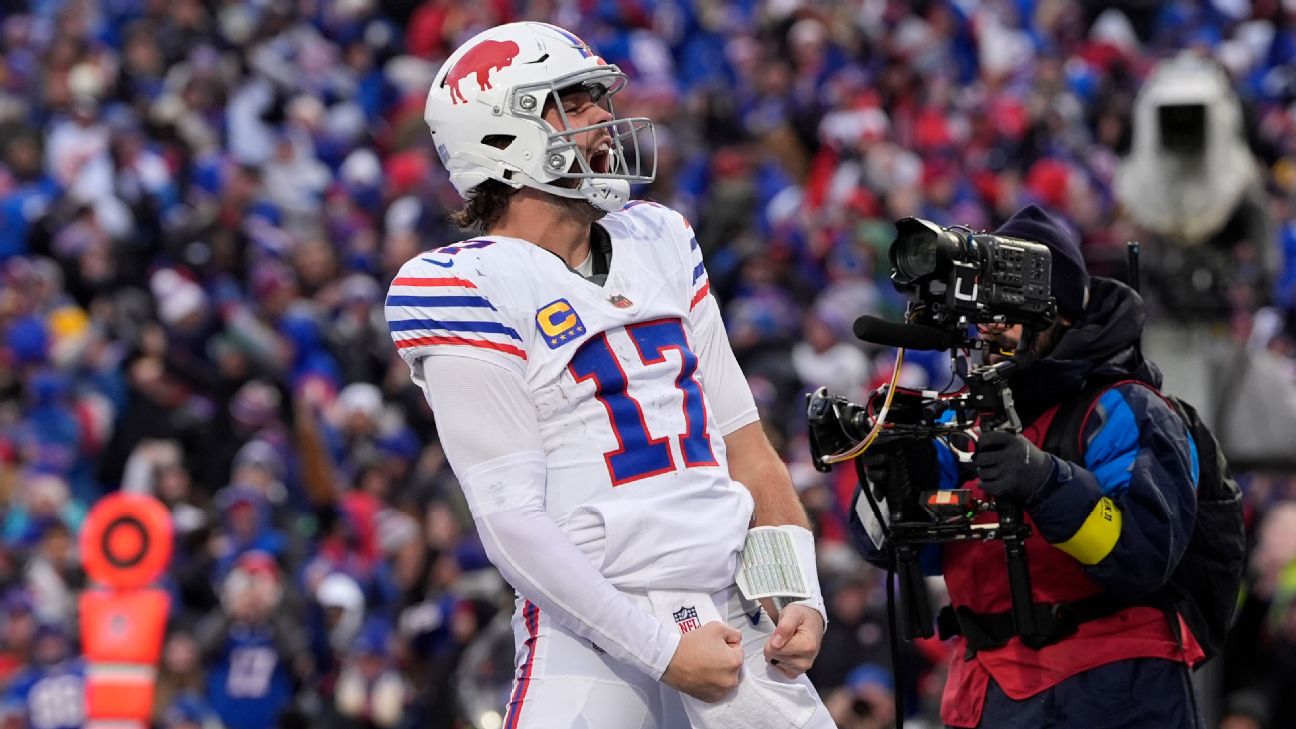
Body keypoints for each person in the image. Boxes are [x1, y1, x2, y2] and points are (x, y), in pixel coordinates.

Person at [385, 21, 834, 728]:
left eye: (598, 98)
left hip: (733, 611)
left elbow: (746, 447)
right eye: (573, 102)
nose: (603, 116)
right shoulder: (463, 286)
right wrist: (662, 650)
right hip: (592, 633)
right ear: (500, 135)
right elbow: (510, 521)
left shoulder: (659, 237)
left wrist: (798, 591)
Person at [849, 204, 1205, 728]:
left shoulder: (1124, 407)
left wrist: (1046, 481)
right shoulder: (957, 415)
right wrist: (890, 479)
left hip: (1113, 692)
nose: (991, 327)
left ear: (1059, 314)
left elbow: (1143, 556)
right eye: (985, 312)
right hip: (988, 694)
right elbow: (892, 551)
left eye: (1007, 311)